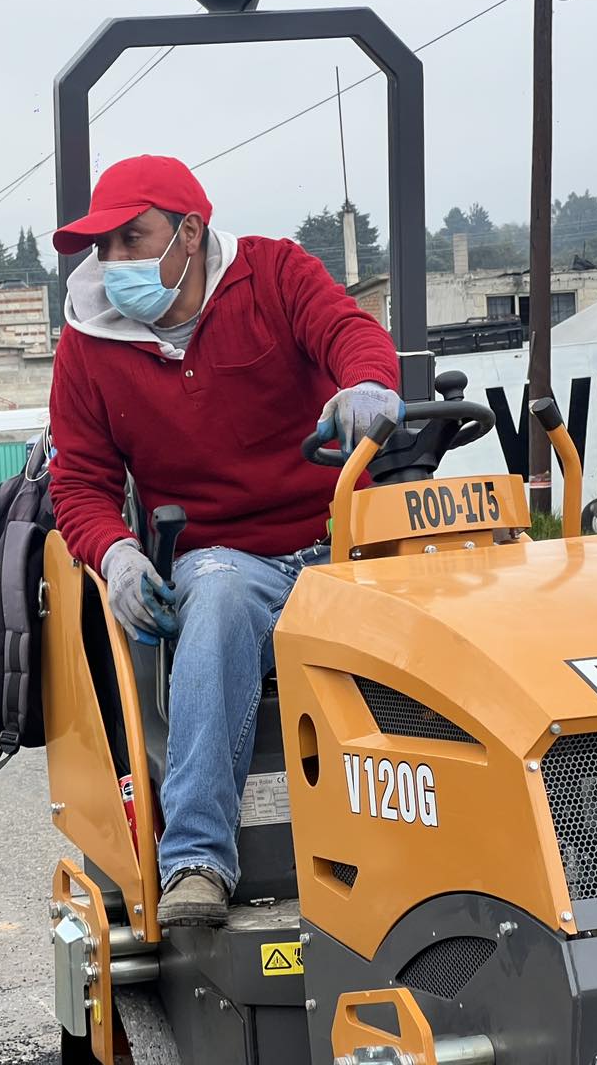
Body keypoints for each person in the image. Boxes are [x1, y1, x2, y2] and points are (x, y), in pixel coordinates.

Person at [48, 155, 401, 928]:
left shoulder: (274, 275)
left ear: (190, 232)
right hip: (230, 558)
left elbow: (348, 332)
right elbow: (79, 482)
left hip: (346, 532)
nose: (112, 261)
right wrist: (115, 552)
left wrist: (367, 384)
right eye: (101, 248)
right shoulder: (87, 344)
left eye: (129, 239)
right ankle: (197, 861)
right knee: (213, 598)